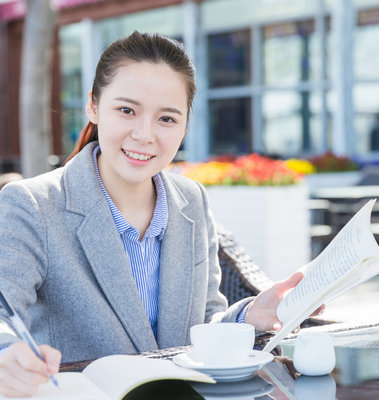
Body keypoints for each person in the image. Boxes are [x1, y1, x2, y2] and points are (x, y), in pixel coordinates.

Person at [0, 32, 315, 397]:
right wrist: (6, 353)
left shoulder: (191, 199)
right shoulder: (32, 204)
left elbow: (200, 324)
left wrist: (248, 316)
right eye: (127, 110)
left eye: (166, 119)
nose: (145, 135)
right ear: (93, 106)